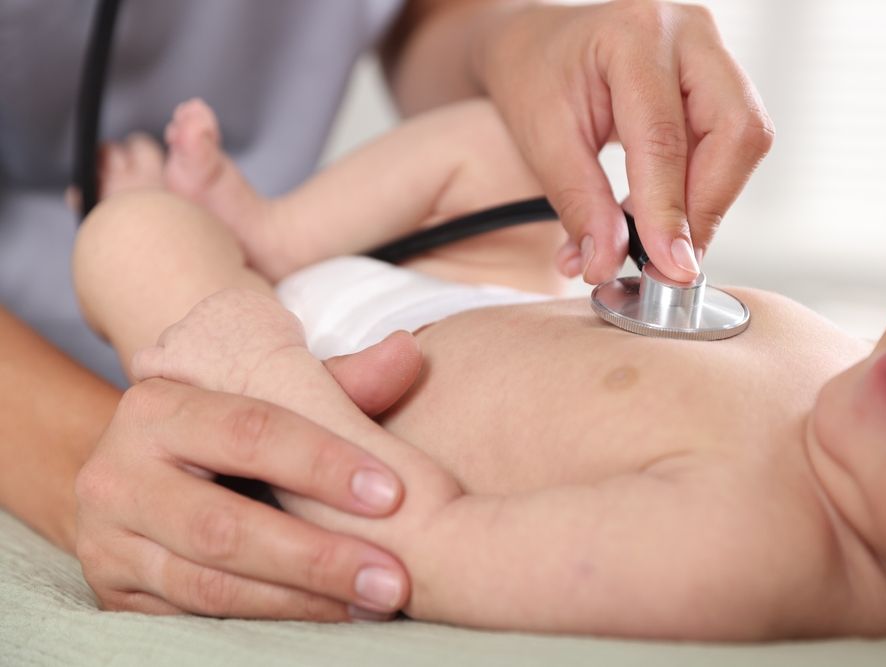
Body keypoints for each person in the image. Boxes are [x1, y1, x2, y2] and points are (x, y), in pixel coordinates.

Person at [74, 97, 886, 643]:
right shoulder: (863, 380)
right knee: (508, 143)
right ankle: (275, 232)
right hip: (469, 298)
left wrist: (263, 368)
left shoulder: (751, 550)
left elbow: (413, 547)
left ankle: (211, 248)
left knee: (130, 241)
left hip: (316, 388)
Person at [0, 0, 773, 620]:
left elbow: (417, 14)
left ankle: (263, 243)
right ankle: (257, 309)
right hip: (243, 332)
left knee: (500, 135)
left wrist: (514, 36)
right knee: (132, 234)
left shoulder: (800, 542)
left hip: (407, 311)